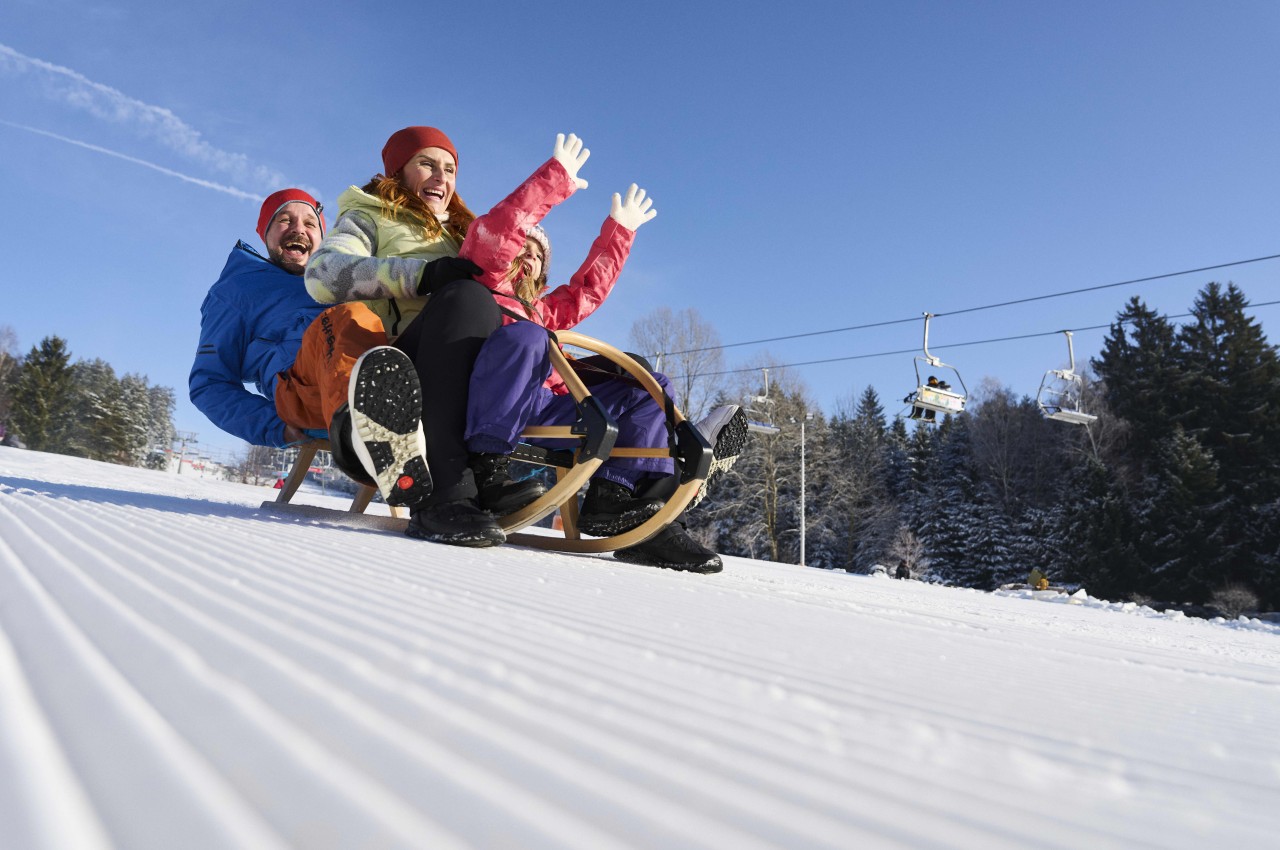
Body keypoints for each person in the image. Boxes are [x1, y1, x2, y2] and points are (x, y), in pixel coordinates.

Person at [456, 165, 734, 572]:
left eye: (537, 256)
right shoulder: (486, 288)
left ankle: (622, 501)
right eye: (523, 249)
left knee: (647, 384)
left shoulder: (545, 311)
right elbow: (498, 233)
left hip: (549, 403)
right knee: (529, 337)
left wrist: (619, 232)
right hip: (496, 398)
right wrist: (553, 181)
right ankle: (487, 472)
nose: (529, 258)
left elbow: (587, 290)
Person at [305, 126, 538, 547]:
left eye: (449, 169)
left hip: (473, 358)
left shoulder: (466, 232)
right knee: (466, 296)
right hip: (404, 362)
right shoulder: (369, 215)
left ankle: (497, 474)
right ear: (399, 169)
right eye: (427, 164)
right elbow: (323, 275)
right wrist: (422, 274)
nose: (441, 177)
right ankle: (445, 495)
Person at [190, 189, 432, 511]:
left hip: (383, 376)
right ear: (265, 233)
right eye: (284, 220)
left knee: (440, 322)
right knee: (346, 317)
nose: (298, 230)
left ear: (322, 237)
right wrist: (276, 427)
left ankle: (477, 471)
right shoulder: (238, 291)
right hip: (304, 393)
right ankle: (363, 430)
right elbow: (209, 383)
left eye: (309, 223)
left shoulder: (339, 279)